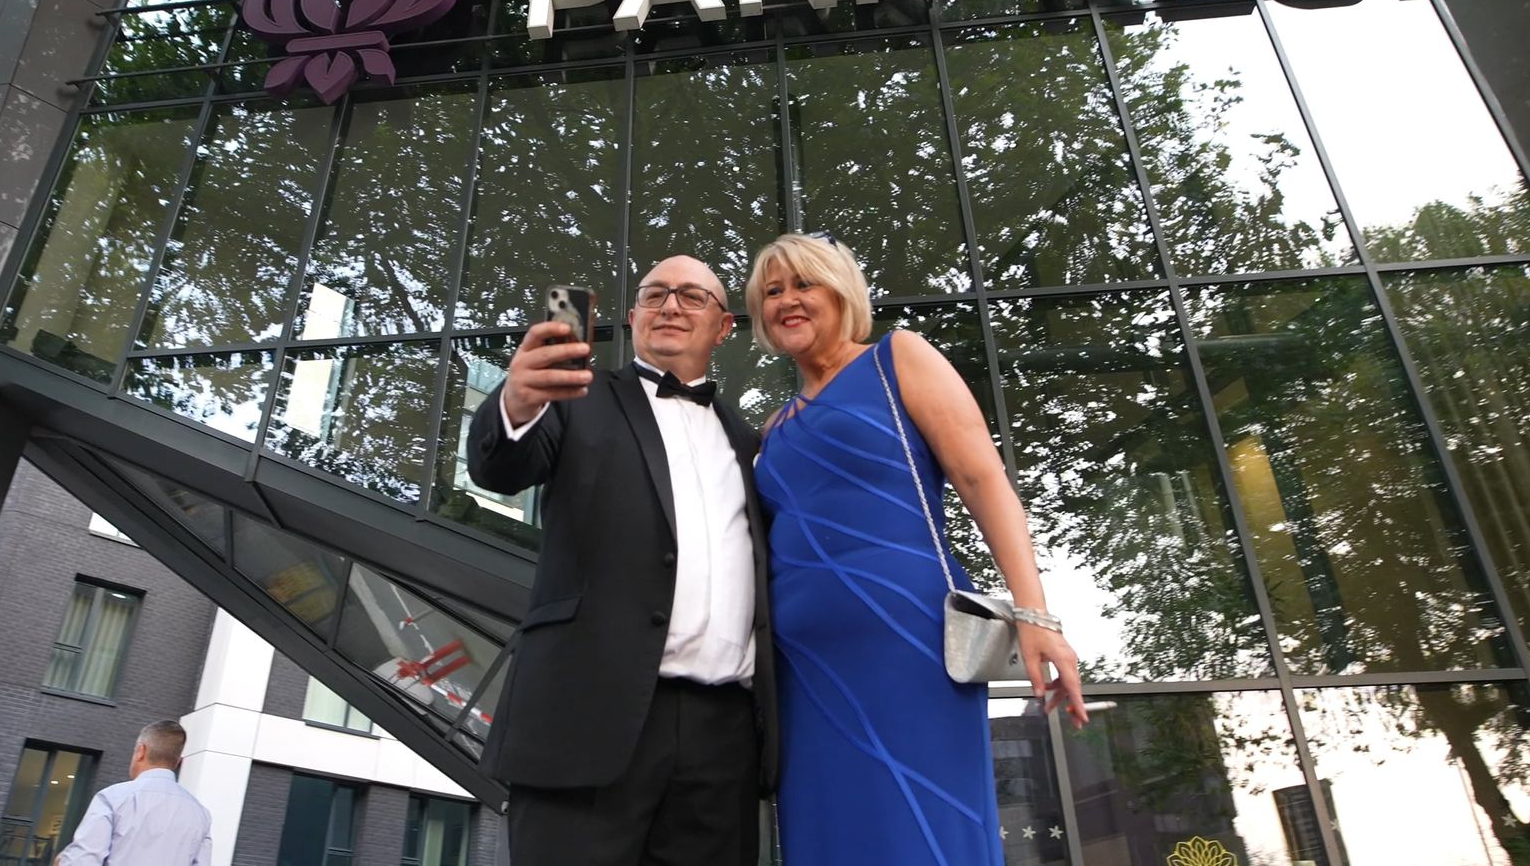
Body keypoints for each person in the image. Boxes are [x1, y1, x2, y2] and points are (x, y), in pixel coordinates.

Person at [747, 233, 1088, 865]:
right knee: (827, 838)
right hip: (804, 671)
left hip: (910, 645)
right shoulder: (775, 424)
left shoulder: (896, 357)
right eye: (772, 292)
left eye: (803, 285)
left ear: (842, 292)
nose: (787, 301)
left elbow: (984, 480)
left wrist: (1034, 614)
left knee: (925, 830)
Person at [465, 255, 777, 866]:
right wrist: (517, 401)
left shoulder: (749, 440)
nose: (670, 305)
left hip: (724, 738)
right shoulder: (573, 397)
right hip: (586, 716)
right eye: (655, 293)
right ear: (633, 317)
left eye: (692, 296)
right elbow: (501, 466)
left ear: (723, 327)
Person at [55, 720, 211, 866]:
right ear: (178, 762)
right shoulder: (201, 815)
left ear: (140, 751)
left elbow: (83, 861)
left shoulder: (113, 798)